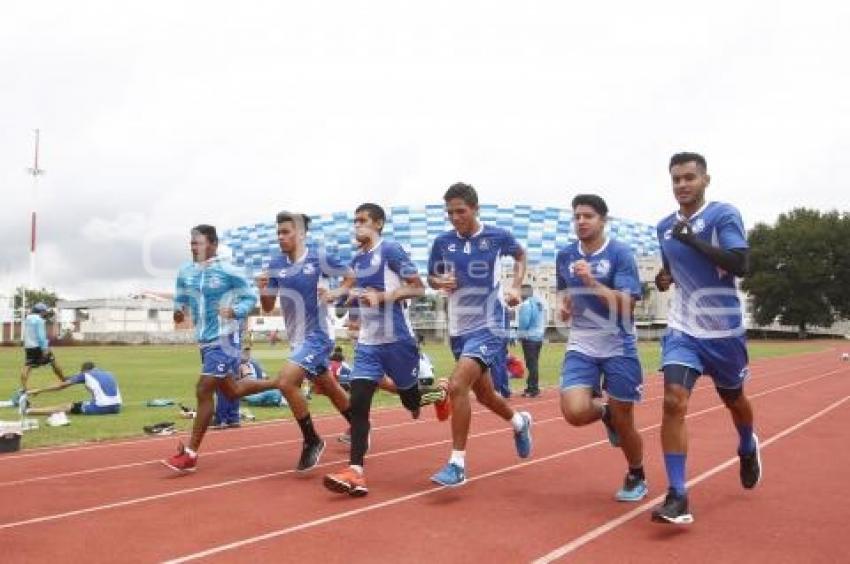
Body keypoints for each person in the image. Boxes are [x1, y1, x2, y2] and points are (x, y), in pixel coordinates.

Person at [651, 152, 759, 524]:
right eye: (676, 179)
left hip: (723, 332)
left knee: (734, 399)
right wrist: (662, 280)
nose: (682, 185)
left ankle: (747, 445)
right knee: (672, 401)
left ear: (705, 180)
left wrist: (695, 241)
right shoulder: (664, 226)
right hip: (683, 329)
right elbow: (670, 272)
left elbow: (740, 265)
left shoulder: (722, 215)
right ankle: (677, 494)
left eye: (689, 178)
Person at [322, 203, 448, 497]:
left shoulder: (390, 250)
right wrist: (336, 295)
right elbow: (356, 293)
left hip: (398, 341)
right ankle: (356, 472)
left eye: (363, 221)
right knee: (359, 402)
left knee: (410, 400)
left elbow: (417, 288)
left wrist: (384, 296)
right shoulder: (358, 259)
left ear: (378, 224)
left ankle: (440, 392)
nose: (357, 226)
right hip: (368, 344)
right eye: (355, 221)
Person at [428, 182, 533, 487]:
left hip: (489, 324)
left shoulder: (496, 236)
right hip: (459, 327)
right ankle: (519, 422)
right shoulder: (443, 241)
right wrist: (440, 282)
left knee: (458, 385)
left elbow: (520, 255)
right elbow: (431, 277)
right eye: (449, 212)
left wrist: (515, 285)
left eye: (460, 211)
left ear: (475, 208)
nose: (455, 217)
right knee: (485, 395)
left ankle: (457, 464)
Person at [162, 225, 283, 474]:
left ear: (214, 245)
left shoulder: (229, 271)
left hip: (226, 337)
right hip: (205, 340)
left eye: (198, 243)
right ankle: (280, 383)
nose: (193, 247)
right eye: (191, 243)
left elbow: (250, 297)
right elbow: (180, 296)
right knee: (233, 390)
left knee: (204, 388)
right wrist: (178, 310)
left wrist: (235, 311)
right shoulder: (185, 271)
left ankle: (191, 454)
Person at [556, 194, 647, 502]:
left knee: (626, 421)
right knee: (575, 411)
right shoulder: (565, 255)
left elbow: (627, 306)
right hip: (581, 344)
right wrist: (564, 308)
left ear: (603, 220)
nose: (581, 221)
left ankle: (636, 472)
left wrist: (593, 283)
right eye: (577, 216)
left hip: (618, 345)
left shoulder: (620, 254)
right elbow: (563, 295)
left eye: (588, 216)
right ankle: (604, 411)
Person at [256, 212, 355, 471]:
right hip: (296, 338)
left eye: (286, 232)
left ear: (300, 234)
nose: (281, 237)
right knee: (328, 386)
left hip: (320, 334)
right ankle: (359, 424)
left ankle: (312, 440)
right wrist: (263, 288)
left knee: (286, 381)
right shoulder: (276, 264)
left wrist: (336, 292)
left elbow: (351, 276)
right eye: (278, 232)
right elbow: (267, 307)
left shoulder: (318, 258)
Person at [23, 361, 121, 416]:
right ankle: (30, 410)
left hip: (102, 407)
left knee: (66, 406)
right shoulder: (108, 373)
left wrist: (39, 390)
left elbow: (61, 386)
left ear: (84, 371)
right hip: (117, 407)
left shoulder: (85, 375)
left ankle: (29, 411)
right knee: (84, 402)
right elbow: (71, 378)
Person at [21, 303, 64, 390]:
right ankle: (63, 380)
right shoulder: (39, 320)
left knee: (27, 366)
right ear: (41, 311)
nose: (45, 313)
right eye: (45, 311)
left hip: (28, 346)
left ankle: (25, 388)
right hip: (38, 346)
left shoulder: (27, 319)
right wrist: (44, 348)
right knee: (53, 362)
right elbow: (41, 336)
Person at [518, 284, 546, 397]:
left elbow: (524, 322)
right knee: (533, 363)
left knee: (531, 364)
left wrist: (520, 334)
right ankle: (531, 386)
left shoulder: (526, 304)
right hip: (539, 336)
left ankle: (533, 389)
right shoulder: (538, 302)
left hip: (530, 337)